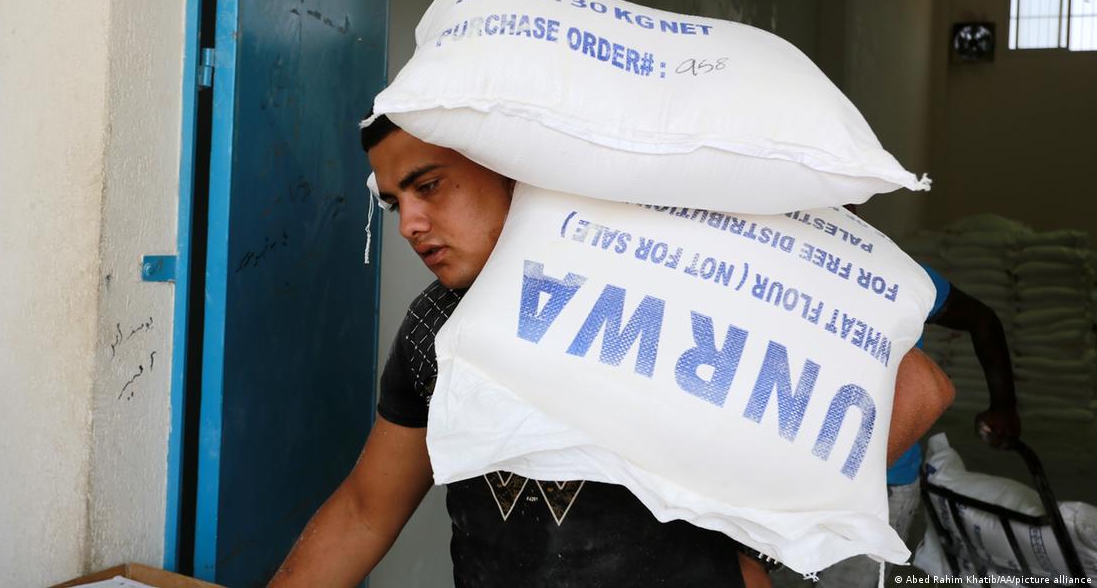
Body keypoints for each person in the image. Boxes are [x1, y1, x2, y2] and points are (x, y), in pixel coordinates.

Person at [267, 116, 956, 588]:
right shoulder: (435, 329)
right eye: (393, 203)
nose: (411, 223)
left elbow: (918, 389)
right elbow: (364, 510)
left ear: (506, 166)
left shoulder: (655, 291)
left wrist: (759, 546)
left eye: (429, 184)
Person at [816, 223, 1021, 587]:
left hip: (879, 484)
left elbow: (981, 319)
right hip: (804, 465)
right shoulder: (787, 264)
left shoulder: (899, 274)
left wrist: (1003, 406)